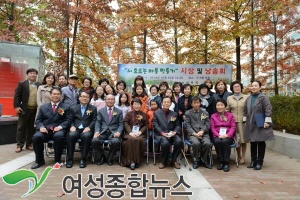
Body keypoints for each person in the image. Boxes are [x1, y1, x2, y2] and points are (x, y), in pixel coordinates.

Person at [31, 88, 72, 169]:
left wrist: (60, 127)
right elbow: (38, 120)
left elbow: (68, 120)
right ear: (50, 95)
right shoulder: (43, 107)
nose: (56, 96)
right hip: (45, 130)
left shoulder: (66, 107)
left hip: (59, 130)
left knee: (59, 137)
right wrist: (41, 127)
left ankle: (57, 161)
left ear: (61, 95)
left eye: (58, 94)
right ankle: (39, 161)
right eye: (54, 94)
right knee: (36, 137)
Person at [243, 80, 275, 170]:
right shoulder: (249, 98)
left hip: (260, 121)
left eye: (256, 85)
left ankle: (259, 162)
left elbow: (268, 109)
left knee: (260, 142)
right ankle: (253, 161)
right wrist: (245, 120)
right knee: (252, 142)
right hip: (250, 122)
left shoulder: (263, 97)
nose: (253, 87)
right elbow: (245, 111)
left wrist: (267, 121)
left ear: (260, 87)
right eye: (252, 85)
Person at [66, 91, 97, 168]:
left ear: (89, 98)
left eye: (86, 97)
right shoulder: (73, 108)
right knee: (71, 135)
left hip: (87, 129)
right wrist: (72, 126)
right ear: (79, 98)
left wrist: (89, 127)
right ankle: (70, 159)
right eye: (83, 96)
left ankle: (83, 159)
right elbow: (70, 119)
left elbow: (94, 120)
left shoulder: (93, 108)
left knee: (86, 136)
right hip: (75, 129)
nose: (84, 98)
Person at [14, 68, 41, 153]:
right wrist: (16, 106)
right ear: (28, 74)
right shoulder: (22, 84)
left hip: (35, 110)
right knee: (21, 127)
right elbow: (17, 96)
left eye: (34, 73)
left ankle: (29, 144)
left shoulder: (39, 85)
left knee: (31, 128)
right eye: (31, 73)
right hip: (24, 109)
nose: (33, 75)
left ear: (36, 75)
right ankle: (19, 145)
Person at [92, 94, 124, 166]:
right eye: (108, 99)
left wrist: (118, 132)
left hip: (114, 133)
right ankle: (102, 156)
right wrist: (97, 131)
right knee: (94, 141)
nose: (110, 101)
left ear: (114, 101)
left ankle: (110, 157)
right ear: (105, 100)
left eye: (112, 99)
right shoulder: (100, 111)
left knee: (115, 141)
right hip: (102, 132)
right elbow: (98, 122)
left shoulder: (119, 111)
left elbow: (121, 124)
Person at [153, 96, 183, 169]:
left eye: (168, 102)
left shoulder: (174, 114)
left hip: (171, 134)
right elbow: (155, 125)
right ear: (162, 103)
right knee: (165, 143)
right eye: (165, 102)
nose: (166, 103)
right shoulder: (156, 113)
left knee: (179, 141)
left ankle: (174, 160)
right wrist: (162, 133)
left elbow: (178, 125)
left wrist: (175, 132)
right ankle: (164, 161)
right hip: (161, 134)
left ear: (170, 104)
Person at [185, 96, 212, 169]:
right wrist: (194, 133)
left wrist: (202, 131)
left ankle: (204, 159)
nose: (196, 104)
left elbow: (207, 124)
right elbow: (187, 125)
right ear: (191, 104)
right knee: (196, 143)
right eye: (194, 103)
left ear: (200, 103)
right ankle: (196, 160)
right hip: (193, 134)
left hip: (204, 133)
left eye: (198, 103)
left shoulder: (205, 112)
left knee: (207, 143)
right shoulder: (188, 113)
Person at [121, 98, 148, 170]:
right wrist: (130, 132)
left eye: (138, 104)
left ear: (141, 105)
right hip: (130, 133)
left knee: (138, 140)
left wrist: (140, 132)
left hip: (140, 134)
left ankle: (137, 160)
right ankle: (131, 161)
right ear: (132, 105)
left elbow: (146, 125)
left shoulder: (144, 114)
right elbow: (125, 123)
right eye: (135, 104)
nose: (136, 106)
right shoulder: (129, 114)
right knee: (130, 140)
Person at [210, 99, 236, 172]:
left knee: (225, 142)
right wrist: (218, 135)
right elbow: (212, 127)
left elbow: (233, 127)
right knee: (218, 142)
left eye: (221, 105)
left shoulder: (230, 116)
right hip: (217, 135)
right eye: (218, 105)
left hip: (228, 135)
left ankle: (226, 163)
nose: (220, 107)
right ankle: (221, 161)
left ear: (225, 106)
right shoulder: (213, 116)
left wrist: (227, 135)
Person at [227, 81, 249, 165]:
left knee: (243, 140)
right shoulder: (229, 98)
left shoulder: (246, 97)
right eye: (235, 86)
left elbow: (248, 110)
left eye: (238, 86)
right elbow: (227, 109)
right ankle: (238, 155)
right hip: (232, 122)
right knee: (237, 140)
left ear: (241, 87)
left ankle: (243, 157)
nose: (237, 88)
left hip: (243, 122)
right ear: (232, 88)